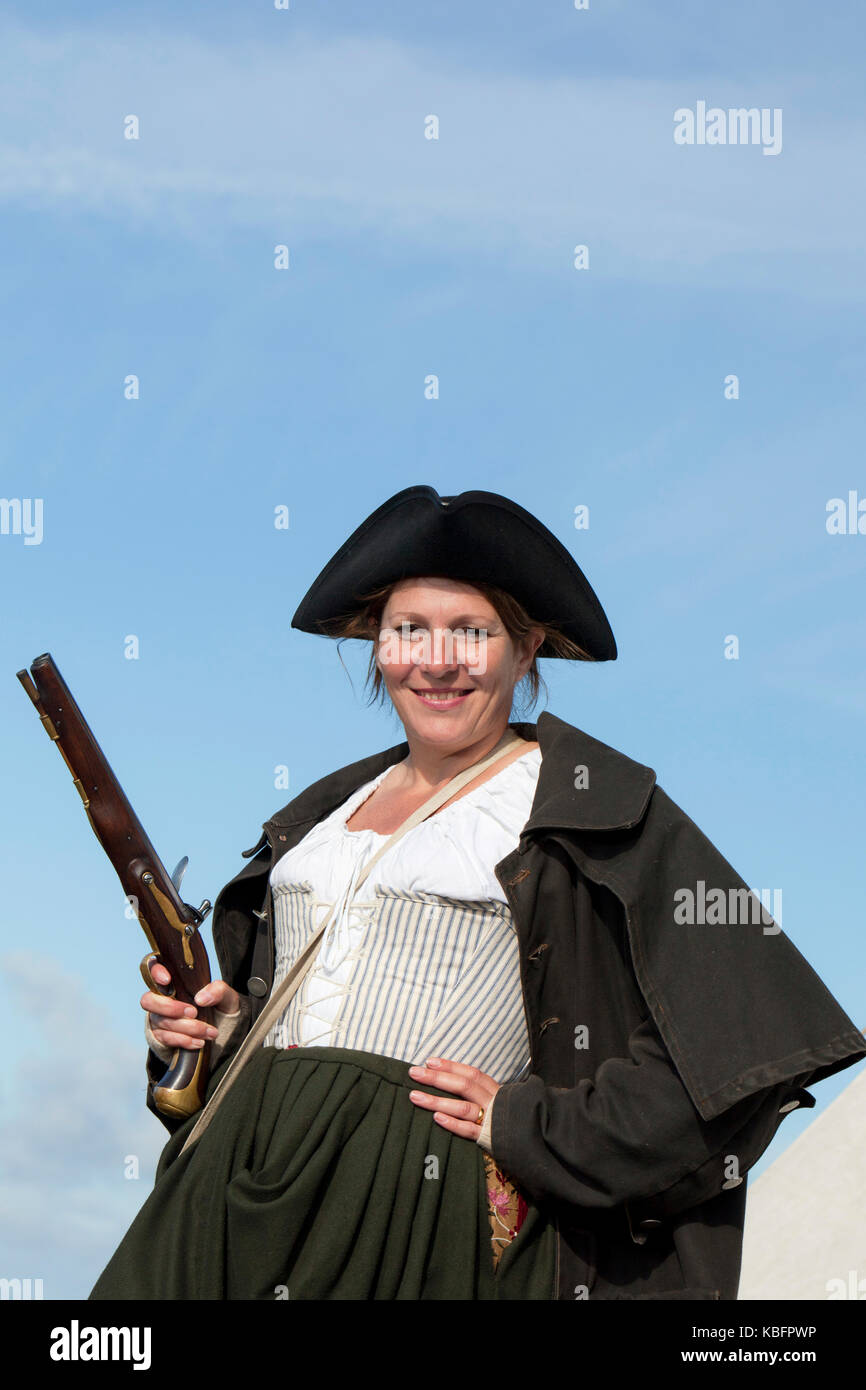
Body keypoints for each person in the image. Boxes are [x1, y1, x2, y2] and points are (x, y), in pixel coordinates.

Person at [89, 485, 866, 1301]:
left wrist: (530, 1127)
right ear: (377, 646)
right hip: (232, 1176)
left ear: (526, 649)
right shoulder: (317, 817)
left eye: (472, 630)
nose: (437, 659)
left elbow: (735, 1066)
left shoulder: (589, 804)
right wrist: (223, 1036)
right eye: (408, 629)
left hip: (410, 1204)